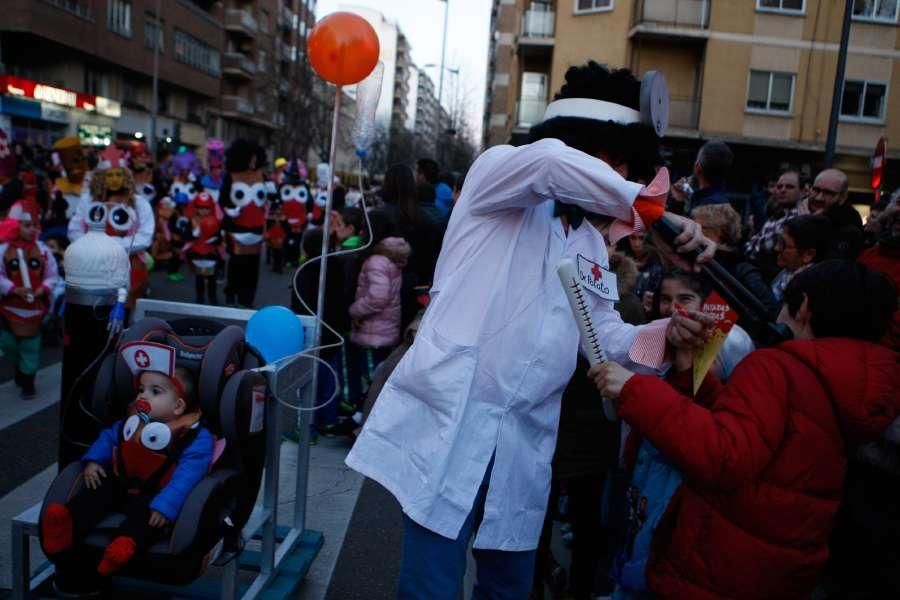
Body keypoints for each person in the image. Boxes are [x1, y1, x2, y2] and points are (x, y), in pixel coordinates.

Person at [346, 61, 714, 599]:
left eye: (627, 167)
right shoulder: (501, 176)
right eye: (609, 164)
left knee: (510, 588)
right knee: (430, 587)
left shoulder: (589, 242)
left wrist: (667, 331)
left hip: (523, 443)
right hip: (455, 423)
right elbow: (549, 162)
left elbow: (602, 335)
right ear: (578, 143)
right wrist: (653, 210)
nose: (616, 178)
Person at [590, 260, 899, 600]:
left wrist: (636, 388)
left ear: (804, 306)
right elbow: (757, 431)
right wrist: (689, 374)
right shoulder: (851, 382)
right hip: (780, 566)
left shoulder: (781, 367)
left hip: (720, 564)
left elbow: (724, 453)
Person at [40, 342, 213, 593]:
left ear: (178, 407)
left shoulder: (194, 436)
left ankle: (124, 545)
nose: (142, 396)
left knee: (147, 518)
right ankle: (66, 523)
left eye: (155, 391)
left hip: (157, 495)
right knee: (96, 487)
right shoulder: (133, 421)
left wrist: (166, 506)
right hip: (121, 483)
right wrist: (93, 462)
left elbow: (188, 476)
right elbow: (108, 438)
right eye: (141, 389)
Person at [347, 222, 410, 415]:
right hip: (387, 328)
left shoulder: (377, 261)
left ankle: (363, 417)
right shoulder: (393, 259)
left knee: (371, 377)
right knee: (379, 374)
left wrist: (355, 310)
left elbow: (378, 296)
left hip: (372, 329)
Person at [0, 212, 59, 399]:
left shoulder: (43, 251)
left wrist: (43, 288)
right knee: (8, 343)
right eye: (27, 225)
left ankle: (28, 382)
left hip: (35, 309)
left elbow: (52, 276)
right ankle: (20, 365)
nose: (32, 229)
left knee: (30, 347)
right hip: (8, 307)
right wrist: (13, 289)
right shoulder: (3, 250)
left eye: (34, 225)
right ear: (16, 226)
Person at [692, 203, 780, 319]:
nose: (692, 232)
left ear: (718, 232)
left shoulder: (741, 269)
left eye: (698, 228)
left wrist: (736, 327)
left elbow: (770, 310)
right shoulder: (694, 259)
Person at [743, 170, 806, 279]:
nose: (783, 190)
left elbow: (758, 248)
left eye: (789, 187)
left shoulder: (798, 217)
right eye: (779, 186)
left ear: (802, 192)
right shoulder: (777, 213)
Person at [770, 214, 832, 302]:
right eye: (778, 241)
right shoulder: (790, 270)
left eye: (783, 244)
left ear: (808, 254)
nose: (776, 248)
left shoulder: (805, 291)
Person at [808, 168, 863, 259]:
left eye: (828, 193)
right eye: (816, 190)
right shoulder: (802, 207)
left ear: (842, 197)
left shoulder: (849, 224)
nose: (819, 198)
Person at [670, 140, 733, 213]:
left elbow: (682, 224)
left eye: (697, 159)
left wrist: (676, 202)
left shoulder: (703, 207)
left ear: (698, 166)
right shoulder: (722, 203)